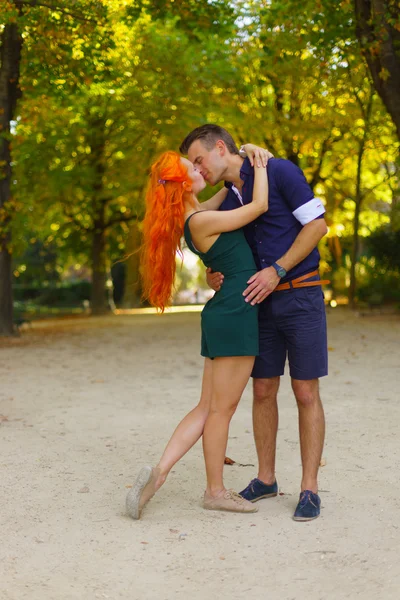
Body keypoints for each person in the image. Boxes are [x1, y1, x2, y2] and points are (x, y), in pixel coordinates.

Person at [179, 124, 329, 521]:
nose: (198, 169)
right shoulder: (229, 198)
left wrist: (278, 269)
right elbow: (215, 244)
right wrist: (216, 274)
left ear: (221, 148)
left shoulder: (279, 171)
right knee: (262, 390)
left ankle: (309, 488)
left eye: (198, 160)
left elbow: (318, 225)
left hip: (299, 294)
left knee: (305, 392)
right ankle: (265, 479)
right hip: (254, 304)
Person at [126, 146, 270, 519]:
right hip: (237, 311)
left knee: (207, 407)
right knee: (222, 409)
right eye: (195, 169)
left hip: (223, 312)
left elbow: (227, 193)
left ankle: (157, 476)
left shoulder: (196, 215)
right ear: (183, 184)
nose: (201, 171)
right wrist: (260, 162)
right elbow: (257, 207)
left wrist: (229, 172)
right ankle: (215, 491)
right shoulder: (201, 220)